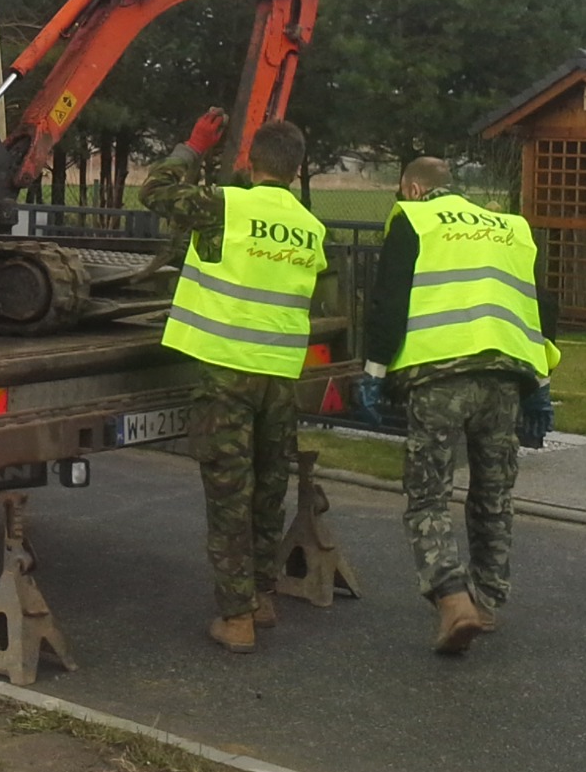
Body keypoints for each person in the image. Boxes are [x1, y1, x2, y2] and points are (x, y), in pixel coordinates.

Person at [142, 109, 329, 654]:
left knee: (229, 493)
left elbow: (154, 191)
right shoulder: (311, 228)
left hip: (226, 371)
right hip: (278, 375)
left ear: (249, 162)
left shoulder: (225, 206)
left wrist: (192, 147)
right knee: (268, 489)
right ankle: (262, 597)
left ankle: (236, 617)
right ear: (296, 171)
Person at [364, 156, 557, 656]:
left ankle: (453, 600)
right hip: (504, 380)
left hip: (439, 379)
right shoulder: (511, 228)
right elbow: (540, 305)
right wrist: (541, 381)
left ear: (411, 187)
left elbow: (389, 301)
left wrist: (374, 372)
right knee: (493, 494)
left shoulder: (415, 220)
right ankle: (488, 601)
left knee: (428, 495)